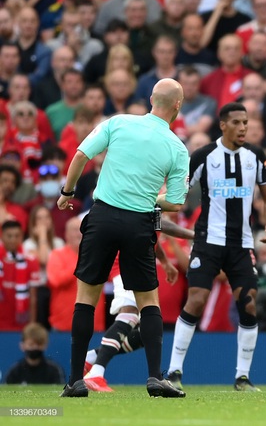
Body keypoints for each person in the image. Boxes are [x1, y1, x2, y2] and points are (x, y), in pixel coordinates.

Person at [57, 78, 190, 398]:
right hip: (138, 223)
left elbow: (79, 156)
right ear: (177, 106)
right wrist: (147, 196)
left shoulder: (118, 122)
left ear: (150, 99)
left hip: (101, 217)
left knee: (86, 297)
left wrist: (68, 193)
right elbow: (176, 202)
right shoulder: (177, 147)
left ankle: (76, 381)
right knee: (148, 302)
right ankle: (155, 378)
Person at [166, 102, 266, 393]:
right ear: (223, 125)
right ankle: (174, 371)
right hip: (208, 242)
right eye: (237, 122)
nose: (243, 127)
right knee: (197, 300)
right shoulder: (204, 156)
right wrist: (162, 205)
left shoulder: (256, 156)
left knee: (249, 303)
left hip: (241, 244)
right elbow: (181, 192)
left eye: (246, 122)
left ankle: (242, 377)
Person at [82, 218, 195, 392]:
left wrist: (164, 262)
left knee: (146, 333)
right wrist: (194, 234)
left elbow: (152, 233)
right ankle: (96, 373)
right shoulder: (149, 195)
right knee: (130, 312)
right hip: (125, 262)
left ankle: (93, 357)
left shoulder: (150, 203)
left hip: (135, 261)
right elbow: (162, 224)